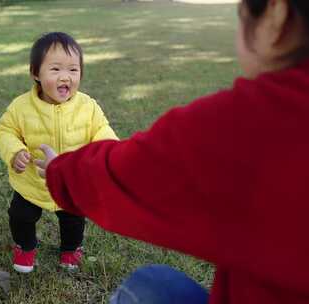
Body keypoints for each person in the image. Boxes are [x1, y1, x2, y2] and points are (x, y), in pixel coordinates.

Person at [35, 0, 309, 302]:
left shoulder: (256, 121)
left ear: (276, 13)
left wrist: (59, 171)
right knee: (155, 284)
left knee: (147, 287)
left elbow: (125, 175)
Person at [0, 32, 118, 273]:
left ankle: (70, 250)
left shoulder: (87, 106)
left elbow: (102, 130)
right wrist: (15, 151)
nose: (65, 77)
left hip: (71, 181)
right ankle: (25, 246)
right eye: (55, 69)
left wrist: (109, 150)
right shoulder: (21, 107)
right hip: (31, 181)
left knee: (73, 218)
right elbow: (5, 130)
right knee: (21, 215)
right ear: (35, 73)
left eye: (73, 70)